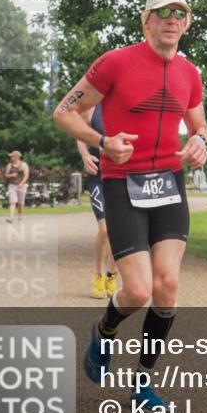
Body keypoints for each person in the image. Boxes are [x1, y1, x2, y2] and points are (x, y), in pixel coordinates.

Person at [52, 0, 207, 413]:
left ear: (187, 23)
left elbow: (199, 124)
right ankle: (104, 330)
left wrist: (200, 142)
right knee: (137, 292)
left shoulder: (190, 73)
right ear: (147, 21)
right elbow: (63, 112)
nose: (172, 20)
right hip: (123, 183)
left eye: (180, 13)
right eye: (163, 13)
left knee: (168, 286)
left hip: (169, 184)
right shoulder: (115, 62)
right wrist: (102, 141)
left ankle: (142, 385)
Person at [76, 104, 118, 299]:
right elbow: (79, 133)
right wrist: (85, 156)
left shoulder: (126, 104)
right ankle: (98, 274)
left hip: (121, 177)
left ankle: (112, 274)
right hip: (98, 176)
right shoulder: (92, 108)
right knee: (105, 229)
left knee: (119, 231)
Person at [3, 151, 30, 222]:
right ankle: (11, 217)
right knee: (12, 202)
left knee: (20, 203)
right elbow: (6, 175)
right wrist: (11, 175)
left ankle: (20, 215)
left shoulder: (24, 165)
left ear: (17, 157)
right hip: (12, 185)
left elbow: (26, 175)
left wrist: (21, 183)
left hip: (22, 186)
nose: (11, 158)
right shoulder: (9, 165)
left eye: (12, 156)